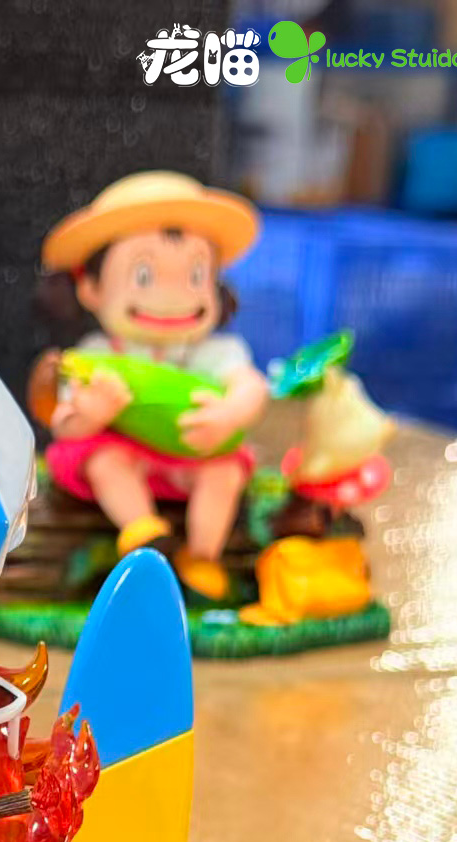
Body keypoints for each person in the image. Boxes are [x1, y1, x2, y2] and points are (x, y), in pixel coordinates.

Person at [28, 172, 270, 601]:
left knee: (225, 473)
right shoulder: (96, 354)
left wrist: (231, 413)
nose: (173, 296)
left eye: (196, 274)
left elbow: (250, 385)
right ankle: (142, 528)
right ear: (91, 288)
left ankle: (203, 555)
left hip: (194, 456)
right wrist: (91, 415)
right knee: (104, 460)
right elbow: (63, 423)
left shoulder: (216, 352)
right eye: (144, 275)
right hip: (128, 454)